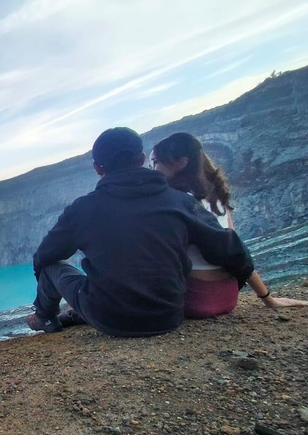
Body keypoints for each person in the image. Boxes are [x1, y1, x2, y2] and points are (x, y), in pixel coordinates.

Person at [26, 127, 254, 337]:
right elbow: (228, 247)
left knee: (51, 267)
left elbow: (44, 256)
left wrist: (44, 283)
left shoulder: (82, 209)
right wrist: (248, 284)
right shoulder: (179, 201)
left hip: (109, 319)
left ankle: (45, 317)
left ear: (97, 168)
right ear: (143, 159)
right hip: (169, 315)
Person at [150, 132, 308, 317]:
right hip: (228, 296)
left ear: (180, 163)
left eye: (156, 162)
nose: (152, 169)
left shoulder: (180, 203)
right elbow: (234, 248)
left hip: (195, 299)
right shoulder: (215, 195)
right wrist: (267, 297)